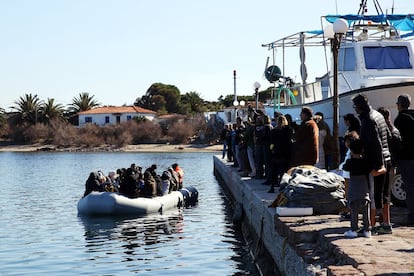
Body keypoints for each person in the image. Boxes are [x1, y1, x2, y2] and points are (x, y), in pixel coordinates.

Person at [352, 94, 392, 234]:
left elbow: (376, 143)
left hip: (377, 161)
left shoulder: (368, 120)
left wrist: (379, 166)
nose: (354, 109)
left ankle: (372, 227)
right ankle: (386, 224)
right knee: (385, 195)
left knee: (374, 195)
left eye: (355, 106)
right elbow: (389, 136)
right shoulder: (378, 115)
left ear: (359, 107)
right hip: (387, 158)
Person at [342, 138, 373, 238]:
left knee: (354, 210)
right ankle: (367, 230)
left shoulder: (350, 162)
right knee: (365, 210)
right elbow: (370, 169)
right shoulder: (365, 162)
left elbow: (344, 167)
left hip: (354, 189)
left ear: (351, 150)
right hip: (364, 189)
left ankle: (353, 229)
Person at [394, 94, 414, 226]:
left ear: (399, 105)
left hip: (406, 158)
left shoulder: (399, 119)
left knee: (409, 187)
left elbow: (397, 141)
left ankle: (412, 216)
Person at [268, 115, 293, 193]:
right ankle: (282, 187)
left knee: (274, 171)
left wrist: (271, 150)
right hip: (285, 153)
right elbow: (290, 141)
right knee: (284, 171)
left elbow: (271, 143)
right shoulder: (288, 130)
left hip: (276, 152)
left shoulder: (274, 131)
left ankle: (272, 187)